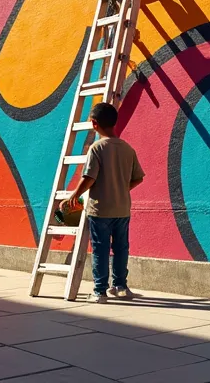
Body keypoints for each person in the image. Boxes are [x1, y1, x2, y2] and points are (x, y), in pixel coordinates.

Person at [60, 102, 145, 304]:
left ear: (93, 123)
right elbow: (138, 178)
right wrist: (121, 189)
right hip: (122, 208)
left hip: (100, 210)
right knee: (121, 248)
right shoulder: (127, 148)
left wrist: (73, 196)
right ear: (114, 123)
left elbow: (89, 177)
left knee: (100, 249)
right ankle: (121, 286)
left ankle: (100, 291)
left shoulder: (96, 148)